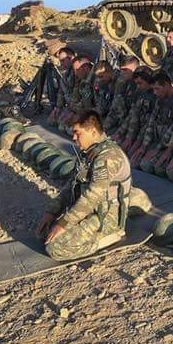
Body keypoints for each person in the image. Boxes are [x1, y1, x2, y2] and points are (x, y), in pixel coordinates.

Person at [37, 111, 132, 260]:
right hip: (88, 211)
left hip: (105, 217)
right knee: (43, 234)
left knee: (55, 249)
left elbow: (92, 196)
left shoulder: (108, 157)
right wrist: (52, 212)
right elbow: (71, 186)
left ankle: (111, 237)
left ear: (93, 132)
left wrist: (64, 223)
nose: (74, 138)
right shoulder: (88, 153)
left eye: (77, 133)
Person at [131, 71, 173, 171]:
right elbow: (151, 123)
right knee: (134, 161)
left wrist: (157, 149)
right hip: (157, 141)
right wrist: (144, 146)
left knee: (150, 166)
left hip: (170, 144)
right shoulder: (159, 100)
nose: (155, 92)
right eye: (153, 89)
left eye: (157, 89)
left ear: (166, 85)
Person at [103, 57, 140, 136]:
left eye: (125, 70)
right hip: (120, 124)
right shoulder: (122, 83)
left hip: (132, 129)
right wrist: (105, 127)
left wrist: (120, 133)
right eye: (121, 70)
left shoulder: (140, 88)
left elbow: (133, 116)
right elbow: (115, 108)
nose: (122, 73)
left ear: (135, 70)